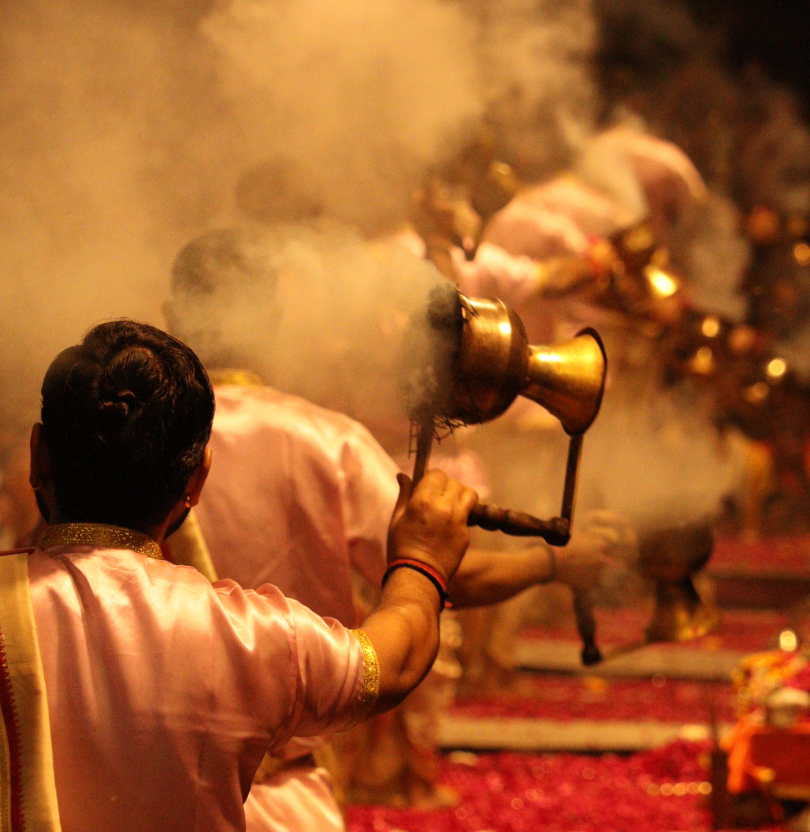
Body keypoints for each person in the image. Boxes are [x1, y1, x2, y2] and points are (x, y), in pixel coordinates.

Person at [0, 319, 478, 832]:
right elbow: (390, 662)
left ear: (37, 455)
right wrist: (420, 558)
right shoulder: (248, 638)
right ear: (195, 481)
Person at [165, 233, 611, 826]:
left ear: (171, 318)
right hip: (288, 787)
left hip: (152, 768)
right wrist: (555, 563)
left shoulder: (138, 439)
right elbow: (437, 573)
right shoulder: (324, 441)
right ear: (271, 315)